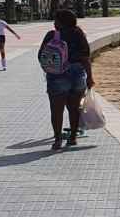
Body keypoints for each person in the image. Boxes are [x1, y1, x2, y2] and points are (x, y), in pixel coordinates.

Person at [39, 9, 94, 150]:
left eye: (56, 20)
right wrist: (90, 77)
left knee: (56, 110)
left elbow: (41, 56)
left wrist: (49, 70)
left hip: (57, 76)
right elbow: (85, 57)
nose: (54, 22)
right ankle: (73, 138)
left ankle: (57, 140)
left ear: (61, 22)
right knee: (74, 109)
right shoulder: (78, 34)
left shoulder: (52, 35)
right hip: (77, 74)